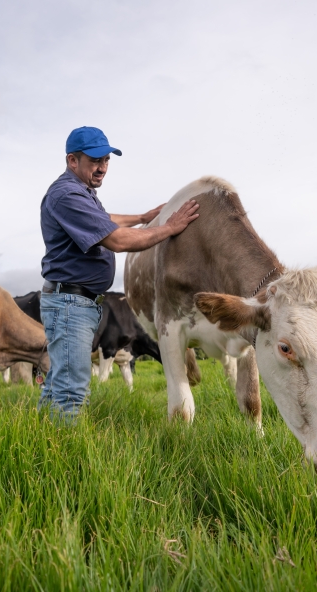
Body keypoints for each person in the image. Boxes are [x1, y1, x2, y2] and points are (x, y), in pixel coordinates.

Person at [38, 126, 201, 421]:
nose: (102, 168)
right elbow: (117, 239)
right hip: (71, 305)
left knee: (58, 384)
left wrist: (142, 217)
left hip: (74, 302)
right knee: (72, 390)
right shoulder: (67, 195)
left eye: (107, 160)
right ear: (72, 160)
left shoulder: (81, 191)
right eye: (94, 160)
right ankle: (63, 458)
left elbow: (106, 219)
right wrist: (169, 228)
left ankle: (44, 440)